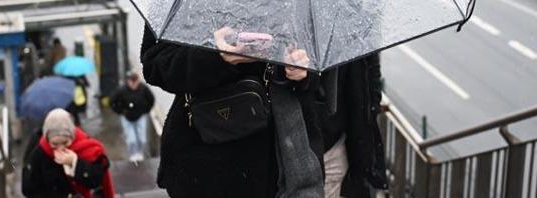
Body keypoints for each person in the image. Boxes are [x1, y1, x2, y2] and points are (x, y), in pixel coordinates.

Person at [141, 25, 324, 198]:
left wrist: (302, 72)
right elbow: (155, 64)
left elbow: (318, 71)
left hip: (283, 158)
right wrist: (215, 57)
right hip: (206, 162)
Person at [315, 55, 387, 198]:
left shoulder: (359, 36)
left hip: (336, 142)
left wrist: (372, 104)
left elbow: (371, 73)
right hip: (306, 138)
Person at [22, 108, 115, 198]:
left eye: (65, 143)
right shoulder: (40, 153)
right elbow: (29, 188)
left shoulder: (88, 147)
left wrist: (75, 163)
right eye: (55, 144)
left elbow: (96, 179)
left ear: (72, 137)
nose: (60, 148)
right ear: (47, 139)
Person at [110, 70, 155, 162]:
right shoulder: (121, 90)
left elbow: (151, 99)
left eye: (136, 80)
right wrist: (120, 111)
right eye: (132, 81)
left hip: (140, 116)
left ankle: (140, 153)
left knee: (142, 139)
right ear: (128, 81)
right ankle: (132, 154)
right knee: (131, 140)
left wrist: (146, 110)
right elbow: (112, 102)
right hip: (127, 118)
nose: (134, 83)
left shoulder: (143, 88)